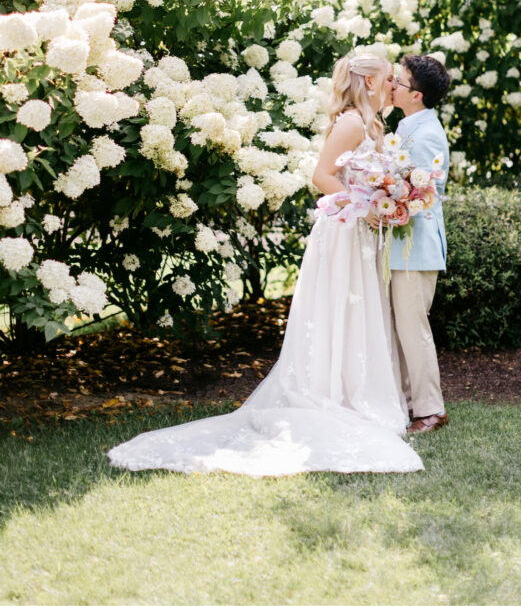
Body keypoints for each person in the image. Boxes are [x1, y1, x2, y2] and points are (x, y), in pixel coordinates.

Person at [108, 53, 423, 476]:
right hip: (343, 229)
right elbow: (322, 176)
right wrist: (363, 205)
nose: (392, 86)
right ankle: (330, 391)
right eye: (387, 79)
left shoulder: (374, 125)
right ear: (368, 83)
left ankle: (353, 390)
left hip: (361, 232)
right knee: (340, 307)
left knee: (358, 310)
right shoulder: (350, 122)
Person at [389, 55, 451, 435]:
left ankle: (431, 410)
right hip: (400, 248)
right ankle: (409, 403)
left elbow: (422, 192)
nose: (393, 83)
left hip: (417, 248)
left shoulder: (428, 133)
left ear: (416, 95)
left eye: (400, 79)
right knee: (401, 329)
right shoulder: (407, 124)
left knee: (413, 328)